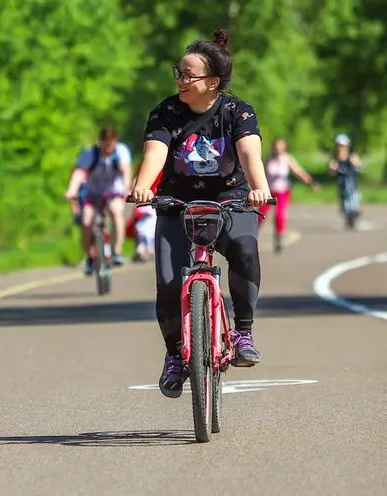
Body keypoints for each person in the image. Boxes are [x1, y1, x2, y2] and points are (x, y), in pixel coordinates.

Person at [130, 29, 273, 398]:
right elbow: (155, 154)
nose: (180, 80)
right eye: (178, 72)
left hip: (230, 201)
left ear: (212, 83)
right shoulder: (165, 111)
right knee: (167, 280)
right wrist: (143, 185)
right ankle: (176, 356)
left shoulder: (237, 111)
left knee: (244, 250)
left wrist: (260, 187)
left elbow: (249, 154)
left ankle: (242, 332)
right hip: (176, 204)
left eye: (187, 76)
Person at [65, 128, 132, 274]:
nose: (108, 149)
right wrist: (72, 190)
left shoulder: (120, 151)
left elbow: (126, 171)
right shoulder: (90, 153)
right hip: (93, 193)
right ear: (100, 142)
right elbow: (79, 173)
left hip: (114, 192)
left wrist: (127, 189)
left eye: (111, 145)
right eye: (106, 145)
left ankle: (116, 252)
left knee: (116, 213)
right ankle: (88, 257)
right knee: (86, 220)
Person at [259, 138, 320, 253]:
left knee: (280, 215)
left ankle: (278, 237)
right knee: (260, 214)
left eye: (281, 146)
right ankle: (251, 235)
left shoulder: (287, 159)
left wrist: (311, 183)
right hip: (268, 191)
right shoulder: (268, 158)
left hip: (282, 192)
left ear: (284, 147)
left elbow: (299, 172)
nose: (278, 149)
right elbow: (258, 171)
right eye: (277, 146)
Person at [329, 134, 362, 224]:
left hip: (351, 181)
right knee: (343, 200)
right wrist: (332, 169)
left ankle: (354, 211)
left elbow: (359, 166)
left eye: (343, 146)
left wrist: (355, 163)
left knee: (353, 196)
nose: (341, 148)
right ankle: (348, 214)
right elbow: (331, 172)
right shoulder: (335, 158)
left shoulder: (352, 156)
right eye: (339, 146)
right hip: (341, 182)